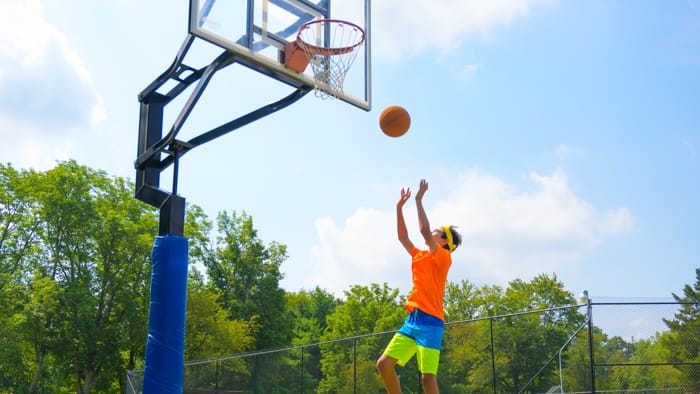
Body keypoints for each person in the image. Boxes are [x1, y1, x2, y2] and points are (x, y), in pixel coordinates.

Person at [376, 179, 462, 394]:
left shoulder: (443, 257)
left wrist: (418, 200)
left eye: (436, 231)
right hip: (413, 320)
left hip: (431, 323)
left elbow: (423, 231)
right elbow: (403, 237)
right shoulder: (419, 256)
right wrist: (398, 208)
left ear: (444, 241)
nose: (431, 232)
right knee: (384, 364)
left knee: (427, 379)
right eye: (434, 230)